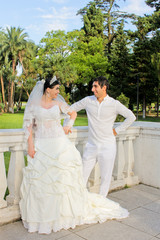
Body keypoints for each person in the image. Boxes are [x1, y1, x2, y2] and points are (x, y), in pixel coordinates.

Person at [19, 76, 129, 235]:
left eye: (95, 86)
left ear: (104, 87)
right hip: (42, 145)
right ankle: (45, 217)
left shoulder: (58, 104)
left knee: (66, 181)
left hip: (62, 144)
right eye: (56, 88)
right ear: (47, 89)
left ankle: (67, 213)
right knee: (42, 183)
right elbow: (29, 127)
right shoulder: (34, 106)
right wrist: (30, 145)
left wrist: (68, 125)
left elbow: (72, 113)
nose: (58, 91)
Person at [69, 76, 136, 197]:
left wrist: (117, 130)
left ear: (104, 87)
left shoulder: (114, 104)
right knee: (82, 175)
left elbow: (131, 117)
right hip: (91, 145)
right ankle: (77, 200)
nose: (92, 89)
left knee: (105, 178)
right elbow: (71, 109)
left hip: (108, 146)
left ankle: (102, 203)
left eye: (95, 86)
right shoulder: (88, 101)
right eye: (92, 86)